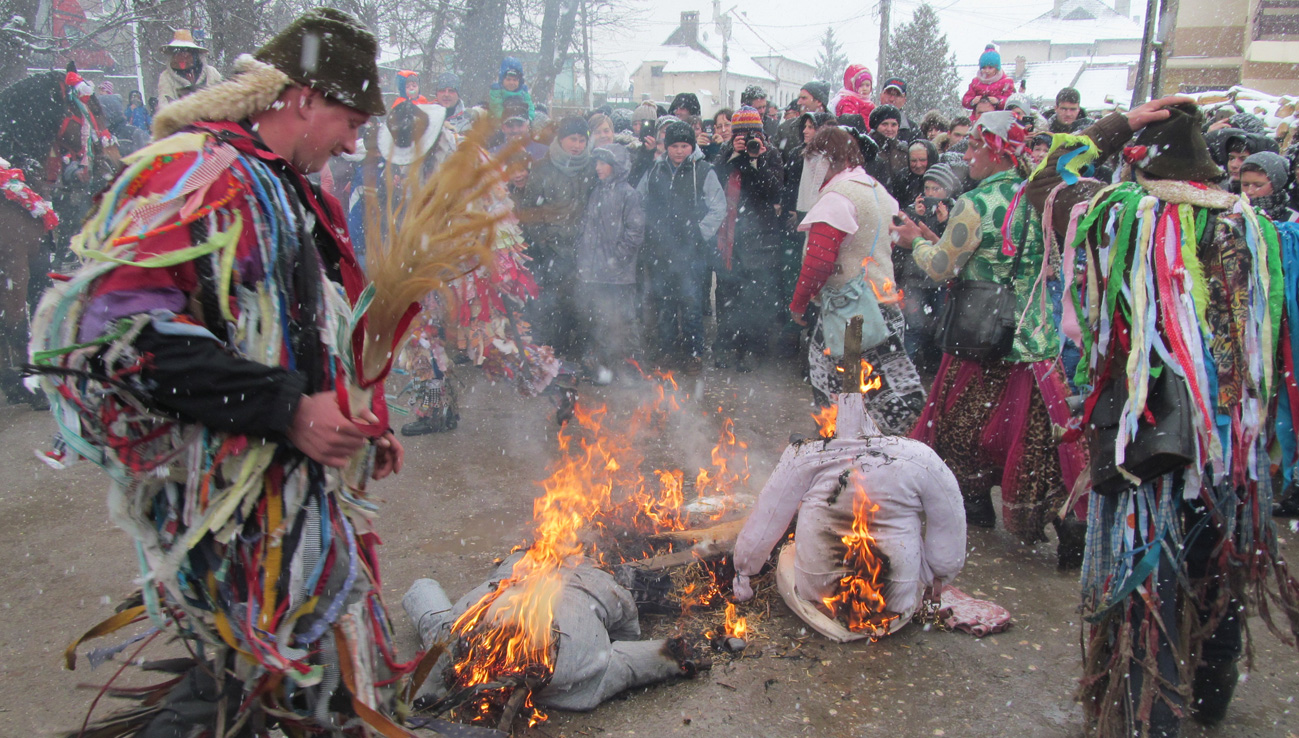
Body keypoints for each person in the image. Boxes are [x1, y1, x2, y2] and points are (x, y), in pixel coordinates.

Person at [33, 9, 410, 735]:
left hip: (287, 485)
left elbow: (298, 324)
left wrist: (354, 415)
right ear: (303, 99)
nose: (358, 139)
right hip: (232, 494)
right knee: (246, 668)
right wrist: (287, 408)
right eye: (352, 117)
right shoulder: (198, 173)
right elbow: (118, 336)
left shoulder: (284, 184)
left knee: (300, 653)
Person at [1029, 96, 1299, 738]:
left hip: (1149, 430)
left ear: (1141, 167)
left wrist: (1122, 122)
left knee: (1147, 567)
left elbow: (1046, 183)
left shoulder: (1117, 214)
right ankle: (1210, 692)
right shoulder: (1253, 226)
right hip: (1233, 435)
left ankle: (1152, 715)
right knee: (1218, 556)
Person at [891, 111, 1086, 557]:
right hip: (1034, 338)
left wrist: (913, 244)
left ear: (998, 153)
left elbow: (942, 267)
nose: (969, 156)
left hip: (981, 337)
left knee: (961, 429)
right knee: (1040, 442)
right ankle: (1068, 524)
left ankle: (973, 506)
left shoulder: (975, 203)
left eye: (977, 148)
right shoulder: (1042, 199)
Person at [731, 390, 965, 635]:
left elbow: (766, 520)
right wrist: (936, 578)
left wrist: (743, 575)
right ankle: (884, 611)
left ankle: (829, 611)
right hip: (895, 598)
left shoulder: (805, 455)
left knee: (788, 551)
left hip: (820, 592)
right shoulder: (919, 456)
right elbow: (950, 521)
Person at [790, 126, 925, 431]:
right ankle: (877, 452)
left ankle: (844, 455)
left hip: (851, 314)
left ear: (825, 159)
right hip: (885, 306)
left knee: (843, 393)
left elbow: (819, 260)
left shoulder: (838, 196)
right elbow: (893, 239)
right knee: (878, 393)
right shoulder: (878, 190)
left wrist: (799, 302)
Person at [639, 120, 726, 374]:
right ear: (666, 147)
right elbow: (639, 199)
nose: (679, 151)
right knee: (665, 305)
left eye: (684, 145)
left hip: (692, 252)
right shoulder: (655, 171)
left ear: (692, 146)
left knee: (690, 304)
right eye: (674, 146)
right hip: (661, 251)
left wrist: (699, 233)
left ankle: (694, 353)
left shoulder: (704, 171)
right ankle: (666, 351)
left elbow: (718, 206)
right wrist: (651, 229)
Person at [520, 116, 595, 358]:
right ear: (561, 139)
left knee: (582, 305)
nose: (577, 145)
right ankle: (552, 354)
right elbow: (530, 210)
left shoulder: (591, 167)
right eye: (572, 139)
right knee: (552, 306)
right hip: (550, 250)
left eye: (582, 140)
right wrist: (543, 242)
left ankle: (579, 354)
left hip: (582, 248)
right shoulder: (543, 167)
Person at [715, 106, 783, 372]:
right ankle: (725, 345)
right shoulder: (726, 152)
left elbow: (774, 191)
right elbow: (715, 179)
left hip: (759, 238)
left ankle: (751, 350)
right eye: (741, 134)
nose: (747, 139)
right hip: (729, 239)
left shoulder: (771, 153)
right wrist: (733, 153)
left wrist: (756, 161)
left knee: (754, 296)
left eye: (752, 133)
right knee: (727, 294)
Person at [575, 145, 645, 384]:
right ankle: (605, 369)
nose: (597, 168)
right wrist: (585, 258)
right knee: (601, 320)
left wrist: (616, 259)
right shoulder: (597, 192)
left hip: (619, 275)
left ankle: (631, 369)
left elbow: (635, 233)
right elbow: (586, 228)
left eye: (602, 163)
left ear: (616, 166)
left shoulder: (628, 194)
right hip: (596, 273)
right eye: (596, 163)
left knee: (625, 321)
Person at [898, 163, 960, 375]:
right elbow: (902, 241)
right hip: (915, 278)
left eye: (937, 189)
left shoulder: (957, 212)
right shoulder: (913, 210)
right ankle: (905, 374)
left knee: (941, 327)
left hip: (942, 281)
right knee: (914, 327)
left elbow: (954, 246)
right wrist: (915, 216)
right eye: (928, 188)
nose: (931, 193)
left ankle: (937, 371)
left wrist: (945, 223)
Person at [155, 29, 223, 106]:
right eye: (178, 55)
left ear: (194, 55)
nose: (182, 58)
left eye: (186, 55)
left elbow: (223, 98)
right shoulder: (166, 77)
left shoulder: (211, 73)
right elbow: (165, 106)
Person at [1242, 150, 1299, 222]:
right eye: (1245, 184)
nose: (1250, 191)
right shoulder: (1234, 213)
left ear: (1276, 186)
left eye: (1258, 185)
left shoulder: (1293, 220)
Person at [961, 45, 1016, 112]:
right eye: (984, 68)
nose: (987, 71)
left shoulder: (1006, 82)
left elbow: (1012, 101)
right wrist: (972, 101)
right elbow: (965, 100)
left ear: (996, 69)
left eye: (990, 68)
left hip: (999, 116)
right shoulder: (976, 82)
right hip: (978, 116)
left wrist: (998, 101)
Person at [868, 105, 908, 190]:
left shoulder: (904, 151)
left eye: (893, 125)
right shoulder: (867, 148)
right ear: (876, 126)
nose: (889, 129)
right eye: (884, 124)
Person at [489, 57, 535, 121]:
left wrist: (529, 118)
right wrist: (508, 119)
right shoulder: (497, 91)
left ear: (519, 81)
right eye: (508, 79)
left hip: (521, 122)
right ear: (502, 80)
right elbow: (497, 108)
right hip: (502, 123)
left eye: (515, 80)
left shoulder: (523, 93)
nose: (511, 82)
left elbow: (530, 107)